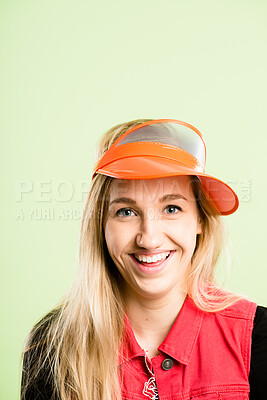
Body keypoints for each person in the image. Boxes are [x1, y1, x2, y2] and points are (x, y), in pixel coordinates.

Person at [20, 118, 267, 400]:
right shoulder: (53, 344)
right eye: (126, 211)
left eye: (171, 208)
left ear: (200, 219)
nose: (149, 239)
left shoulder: (256, 337)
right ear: (101, 225)